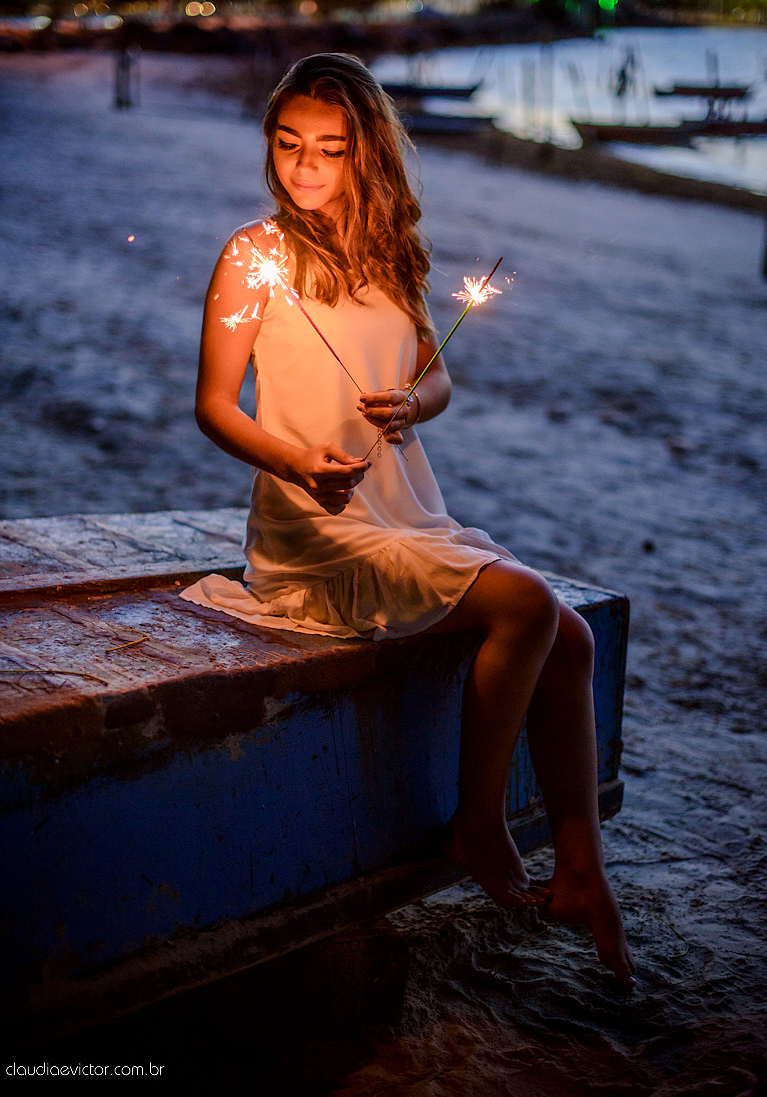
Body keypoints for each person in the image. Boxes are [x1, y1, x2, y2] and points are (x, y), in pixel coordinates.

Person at [182, 53, 635, 986]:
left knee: (574, 639)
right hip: (314, 528)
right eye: (288, 143)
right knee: (526, 605)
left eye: (329, 148)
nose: (304, 166)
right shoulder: (253, 254)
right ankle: (476, 824)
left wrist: (410, 404)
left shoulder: (391, 254)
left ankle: (581, 868)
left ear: (366, 153)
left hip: (405, 507)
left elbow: (438, 377)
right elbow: (215, 406)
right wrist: (294, 461)